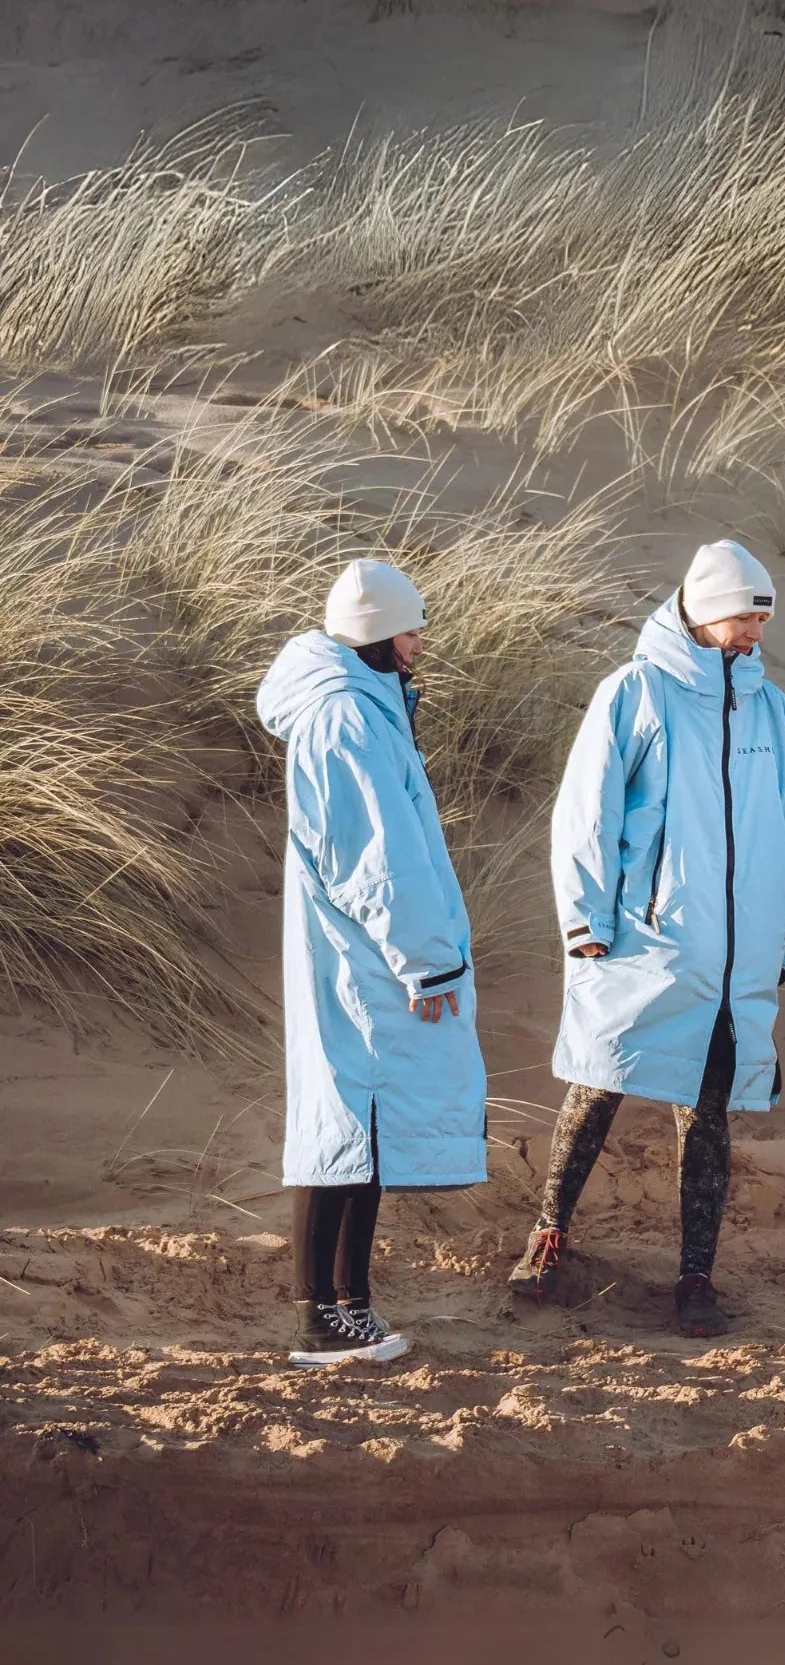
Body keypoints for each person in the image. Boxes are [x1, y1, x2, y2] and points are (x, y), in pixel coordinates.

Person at [509, 540, 785, 1335]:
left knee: (708, 1110)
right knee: (599, 1079)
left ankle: (696, 1278)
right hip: (642, 941)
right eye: (747, 616)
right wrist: (585, 920)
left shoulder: (769, 706)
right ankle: (548, 1235)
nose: (756, 633)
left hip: (736, 948)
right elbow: (586, 813)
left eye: (763, 619)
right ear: (709, 610)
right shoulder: (635, 693)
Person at [256, 558, 488, 1368]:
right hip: (367, 961)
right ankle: (315, 1316)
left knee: (367, 1129)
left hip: (367, 956)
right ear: (374, 634)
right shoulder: (345, 719)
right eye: (409, 629)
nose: (419, 643)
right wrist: (425, 961)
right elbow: (374, 857)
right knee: (341, 1127)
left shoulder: (364, 708)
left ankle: (350, 1304)